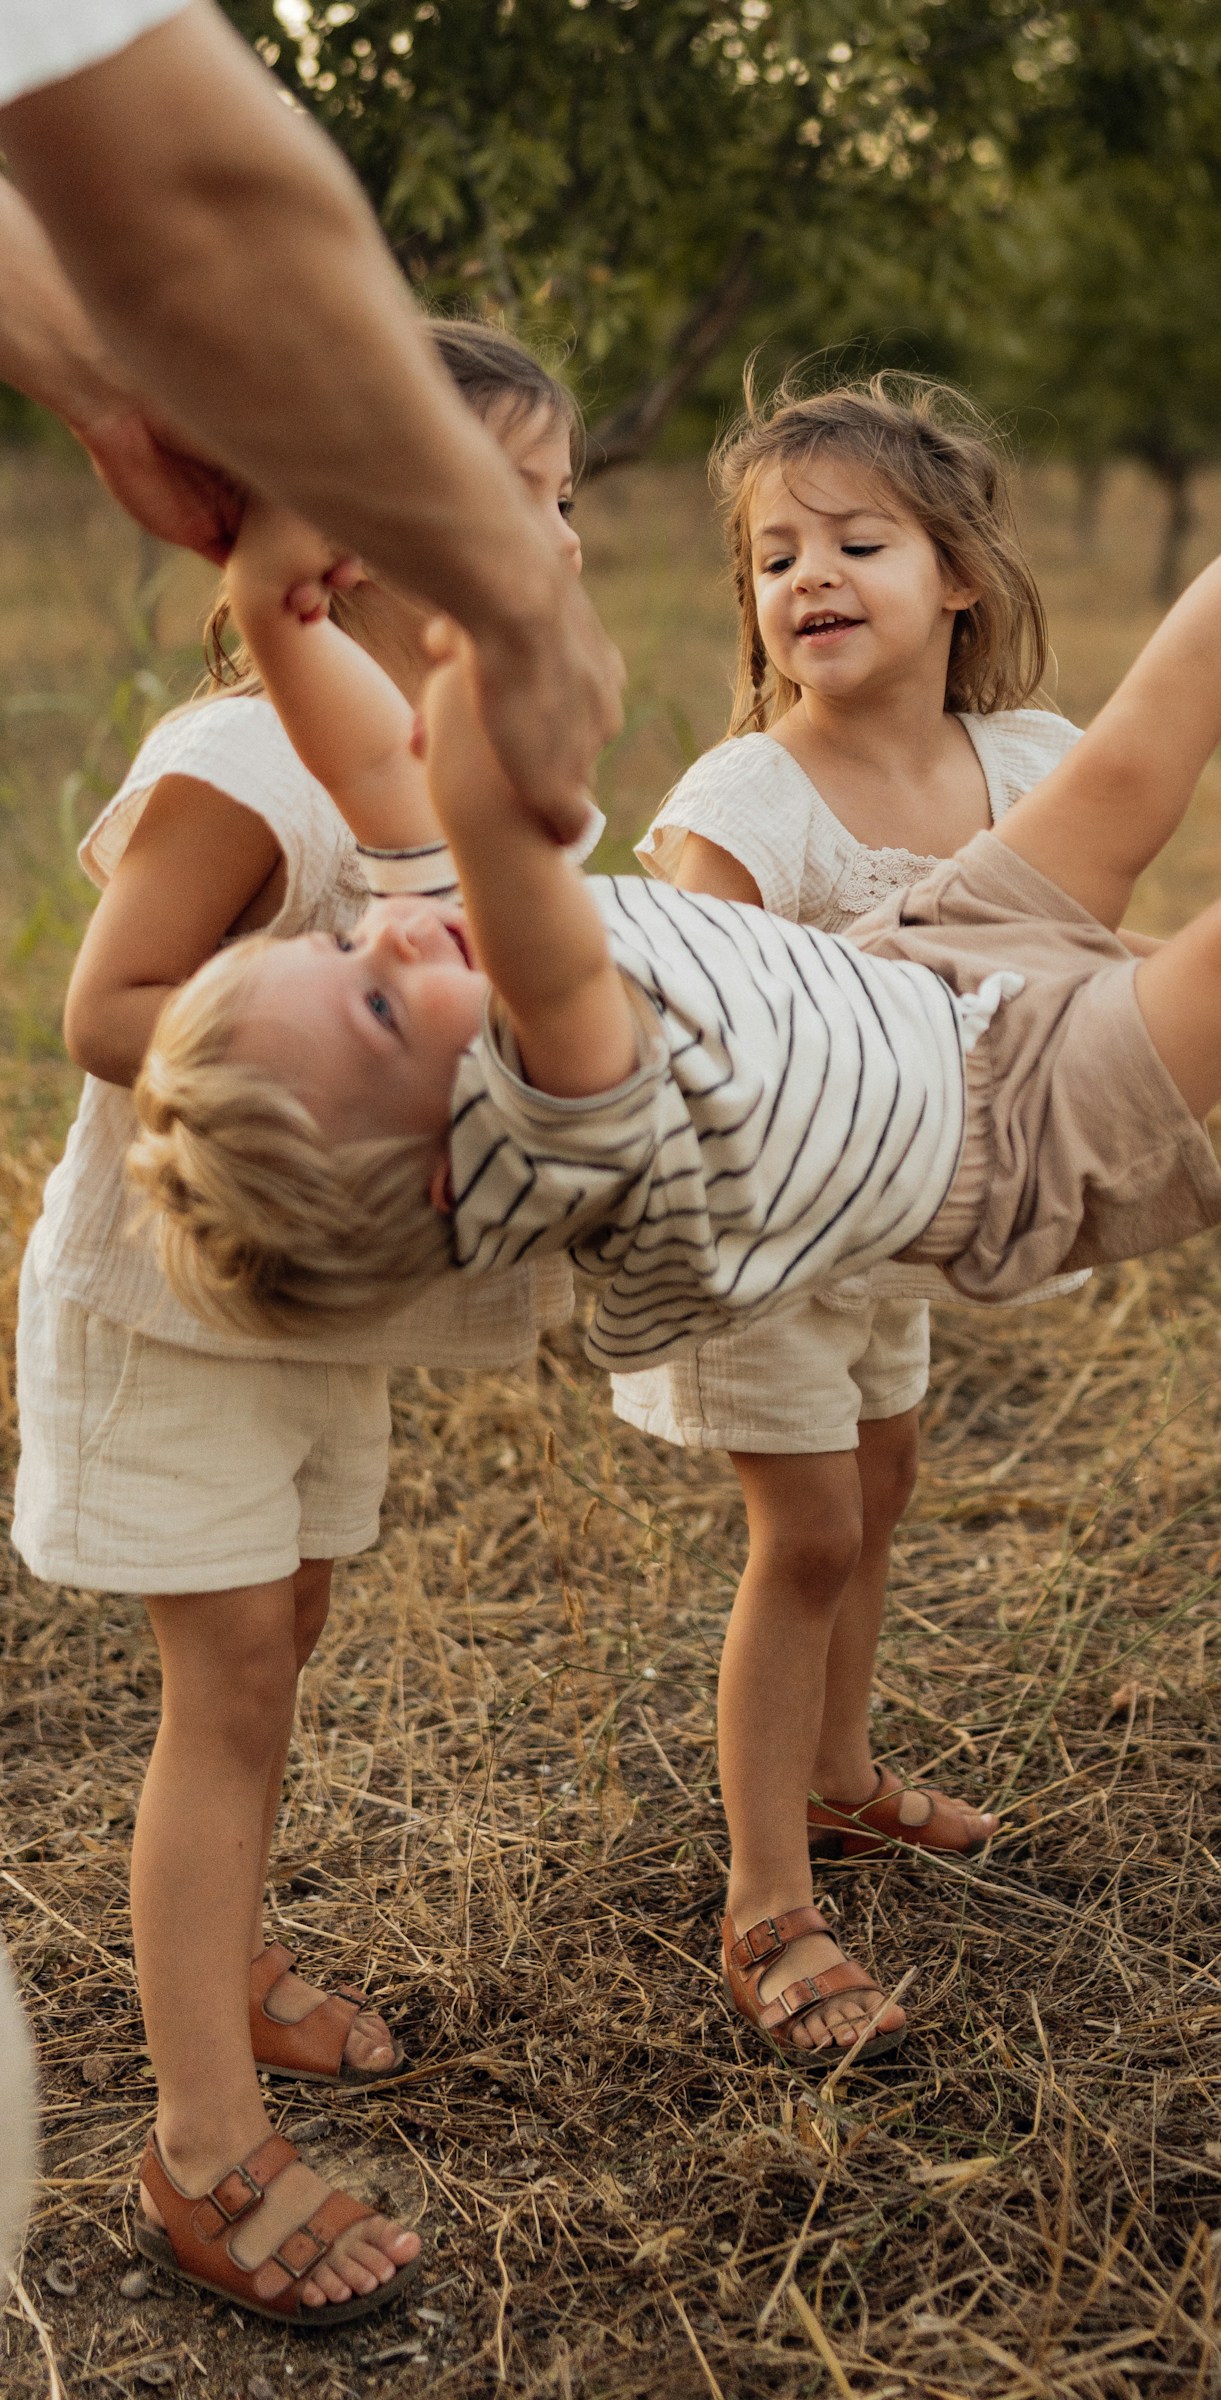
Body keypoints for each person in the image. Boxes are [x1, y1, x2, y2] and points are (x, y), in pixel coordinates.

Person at [131, 436, 1221, 2066]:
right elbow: (477, 834)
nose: (385, 924)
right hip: (1004, 1133)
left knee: (1135, 761)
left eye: (356, 935)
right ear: (445, 1161)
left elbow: (386, 795)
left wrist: (272, 605)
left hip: (920, 977)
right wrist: (483, 643)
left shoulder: (453, 972)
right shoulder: (557, 1092)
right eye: (372, 994)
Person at [622, 375, 1221, 2055]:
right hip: (760, 1232)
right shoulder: (743, 801)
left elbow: (1045, 954)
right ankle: (766, 1904)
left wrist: (1211, 986)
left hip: (907, 1218)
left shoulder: (1025, 761)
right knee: (806, 1533)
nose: (808, 575)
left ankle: (840, 1776)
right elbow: (679, 1004)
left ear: (959, 574)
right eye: (773, 555)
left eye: (856, 541)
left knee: (883, 1489)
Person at [12, 326, 589, 2326]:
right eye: (509, 508)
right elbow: (103, 1015)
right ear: (347, 548)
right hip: (181, 1308)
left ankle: (226, 1946)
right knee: (233, 1684)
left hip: (324, 1315)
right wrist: (318, 1007)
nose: (556, 544)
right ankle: (198, 2134)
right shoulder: (254, 762)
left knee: (295, 1633)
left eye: (561, 505)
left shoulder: (448, 765)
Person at [0, 0, 623, 825]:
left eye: (561, 498)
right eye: (507, 488)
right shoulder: (252, 760)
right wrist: (516, 598)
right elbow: (207, 193)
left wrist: (113, 389)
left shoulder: (435, 743)